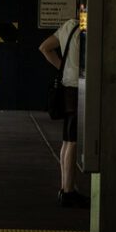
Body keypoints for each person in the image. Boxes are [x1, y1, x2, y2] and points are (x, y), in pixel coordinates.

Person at [39, 17, 87, 208]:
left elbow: (44, 47)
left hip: (67, 86)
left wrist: (64, 68)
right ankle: (68, 191)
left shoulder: (69, 25)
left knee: (67, 139)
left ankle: (65, 187)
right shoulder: (87, 29)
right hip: (78, 88)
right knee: (73, 140)